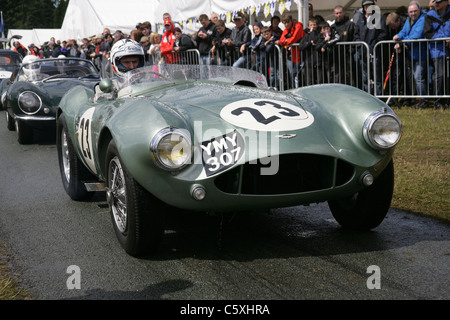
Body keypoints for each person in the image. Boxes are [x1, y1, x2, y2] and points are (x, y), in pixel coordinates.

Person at [393, 1, 428, 107]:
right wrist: (398, 36)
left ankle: (424, 100)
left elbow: (416, 35)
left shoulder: (423, 19)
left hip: (422, 53)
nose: (413, 13)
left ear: (419, 10)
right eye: (410, 12)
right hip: (413, 54)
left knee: (419, 77)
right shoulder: (409, 20)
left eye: (415, 11)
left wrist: (402, 41)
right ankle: (422, 99)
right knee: (417, 77)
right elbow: (404, 31)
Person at [354, 0, 387, 95]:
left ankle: (379, 97)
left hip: (375, 52)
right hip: (363, 53)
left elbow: (383, 33)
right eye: (365, 5)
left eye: (369, 5)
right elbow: (356, 35)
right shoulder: (360, 19)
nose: (367, 7)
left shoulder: (378, 17)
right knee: (365, 77)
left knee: (377, 77)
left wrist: (373, 44)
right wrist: (359, 44)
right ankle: (368, 96)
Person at [424, 0, 450, 109]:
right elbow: (428, 33)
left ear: (446, 2)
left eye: (439, 2)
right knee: (439, 76)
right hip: (437, 51)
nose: (437, 4)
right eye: (435, 2)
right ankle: (438, 101)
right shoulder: (430, 15)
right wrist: (444, 38)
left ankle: (447, 101)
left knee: (448, 76)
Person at [277, 13, 305, 88]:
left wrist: (284, 42)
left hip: (299, 55)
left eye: (287, 22)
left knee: (298, 75)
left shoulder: (298, 26)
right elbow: (281, 39)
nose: (286, 25)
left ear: (291, 21)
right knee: (291, 75)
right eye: (284, 23)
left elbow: (293, 39)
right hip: (290, 55)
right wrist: (284, 42)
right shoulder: (286, 29)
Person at [331, 5, 355, 85]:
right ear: (334, 14)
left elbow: (354, 38)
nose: (339, 15)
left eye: (340, 13)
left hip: (347, 54)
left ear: (343, 13)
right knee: (337, 74)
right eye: (337, 13)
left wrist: (351, 50)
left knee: (349, 74)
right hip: (336, 54)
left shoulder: (350, 24)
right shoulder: (333, 27)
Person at [299, 18, 321, 85]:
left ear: (317, 26)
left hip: (318, 61)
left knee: (319, 81)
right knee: (309, 82)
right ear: (308, 26)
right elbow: (301, 46)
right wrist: (309, 43)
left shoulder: (319, 35)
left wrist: (312, 34)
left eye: (314, 25)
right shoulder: (306, 36)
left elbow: (315, 40)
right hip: (308, 61)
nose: (313, 26)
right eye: (311, 25)